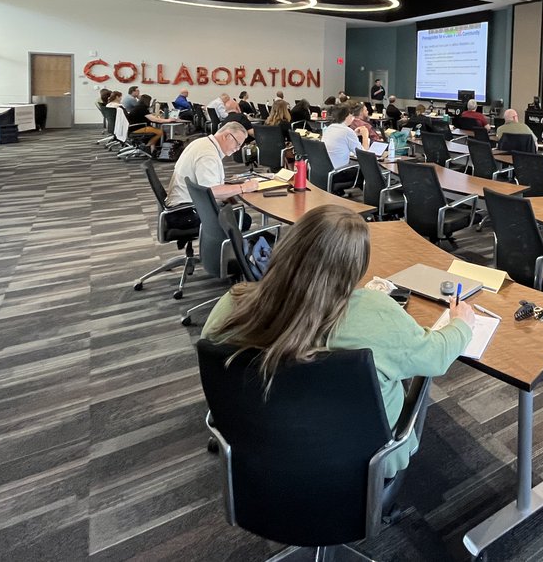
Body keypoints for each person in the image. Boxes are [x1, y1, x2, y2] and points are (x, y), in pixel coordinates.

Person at [201, 205, 473, 476]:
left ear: (287, 246)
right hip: (363, 465)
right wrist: (461, 323)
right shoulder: (376, 315)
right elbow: (436, 356)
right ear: (356, 267)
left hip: (258, 453)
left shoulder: (232, 303)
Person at [165, 121, 258, 212]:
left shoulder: (203, 143)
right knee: (243, 218)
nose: (237, 149)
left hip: (185, 201)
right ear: (227, 136)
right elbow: (212, 191)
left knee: (233, 208)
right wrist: (243, 187)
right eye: (238, 144)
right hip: (186, 210)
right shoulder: (208, 155)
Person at [323, 103, 366, 168]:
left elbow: (341, 140)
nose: (352, 118)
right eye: (351, 115)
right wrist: (365, 136)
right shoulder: (347, 131)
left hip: (327, 170)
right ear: (346, 116)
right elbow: (364, 156)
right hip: (340, 172)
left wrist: (354, 134)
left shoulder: (329, 128)